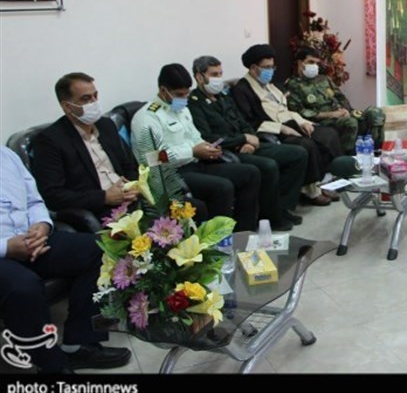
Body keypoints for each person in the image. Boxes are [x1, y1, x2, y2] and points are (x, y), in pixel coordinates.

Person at [0, 146, 132, 374]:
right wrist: (6, 247)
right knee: (23, 287)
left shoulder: (6, 155)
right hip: (4, 250)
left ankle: (80, 344)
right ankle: (51, 366)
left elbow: (34, 202)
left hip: (32, 239)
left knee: (99, 249)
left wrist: (43, 225)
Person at [131, 63, 261, 231]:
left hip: (197, 164)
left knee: (250, 173)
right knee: (222, 187)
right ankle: (218, 239)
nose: (184, 98)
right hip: (171, 175)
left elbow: (194, 136)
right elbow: (151, 159)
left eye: (187, 93)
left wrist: (207, 147)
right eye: (179, 94)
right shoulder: (147, 117)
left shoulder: (182, 109)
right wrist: (191, 151)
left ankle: (244, 232)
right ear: (163, 90)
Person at [188, 55, 307, 231]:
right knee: (268, 166)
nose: (219, 78)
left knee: (298, 154)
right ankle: (271, 217)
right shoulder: (194, 103)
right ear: (199, 77)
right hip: (228, 151)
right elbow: (207, 137)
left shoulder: (223, 96)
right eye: (214, 74)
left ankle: (281, 207)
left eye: (220, 74)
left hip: (249, 145)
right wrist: (242, 139)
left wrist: (251, 138)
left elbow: (242, 121)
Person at [231, 44, 342, 206]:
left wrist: (303, 122)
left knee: (328, 134)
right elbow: (250, 121)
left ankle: (322, 182)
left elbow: (285, 109)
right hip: (273, 131)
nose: (271, 71)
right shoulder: (242, 89)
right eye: (267, 67)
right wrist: (282, 128)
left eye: (272, 67)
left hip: (291, 122)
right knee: (307, 145)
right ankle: (311, 191)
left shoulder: (270, 85)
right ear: (254, 68)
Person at [30, 73, 141, 221]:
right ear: (67, 107)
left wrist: (133, 185)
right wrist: (104, 198)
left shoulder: (106, 125)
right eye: (86, 99)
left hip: (131, 198)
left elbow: (129, 165)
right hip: (100, 210)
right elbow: (53, 195)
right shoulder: (49, 141)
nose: (94, 103)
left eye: (95, 96)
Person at [285, 46, 385, 154]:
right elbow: (299, 112)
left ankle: (376, 154)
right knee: (350, 122)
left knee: (376, 113)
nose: (314, 66)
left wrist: (346, 110)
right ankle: (346, 158)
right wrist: (331, 114)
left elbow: (341, 97)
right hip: (323, 121)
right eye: (311, 62)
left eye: (316, 63)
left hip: (341, 114)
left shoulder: (325, 79)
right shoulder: (293, 85)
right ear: (300, 63)